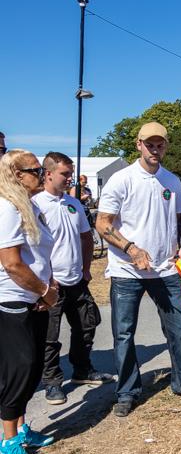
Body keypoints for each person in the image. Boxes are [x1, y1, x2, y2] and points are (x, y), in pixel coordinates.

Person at [96, 122, 181, 417]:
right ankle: (128, 391)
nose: (155, 150)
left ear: (166, 146)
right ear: (138, 144)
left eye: (161, 145)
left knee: (178, 329)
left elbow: (179, 220)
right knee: (124, 334)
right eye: (150, 144)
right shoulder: (122, 179)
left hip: (165, 269)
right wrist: (131, 249)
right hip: (127, 270)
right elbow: (102, 224)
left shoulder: (172, 181)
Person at [33, 152, 113, 406]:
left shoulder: (74, 203)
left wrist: (87, 268)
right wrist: (44, 280)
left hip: (76, 278)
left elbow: (86, 237)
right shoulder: (35, 205)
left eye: (71, 173)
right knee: (49, 335)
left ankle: (82, 369)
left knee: (86, 324)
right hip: (50, 283)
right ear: (47, 174)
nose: (70, 179)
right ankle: (52, 381)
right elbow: (32, 246)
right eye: (64, 174)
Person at [0, 150, 57, 453]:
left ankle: (21, 428)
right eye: (35, 169)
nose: (41, 173)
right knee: (18, 368)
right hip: (12, 298)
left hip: (35, 296)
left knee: (34, 368)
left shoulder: (30, 206)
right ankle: (8, 440)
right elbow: (11, 263)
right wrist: (44, 290)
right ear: (17, 175)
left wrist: (49, 285)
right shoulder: (7, 208)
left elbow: (38, 255)